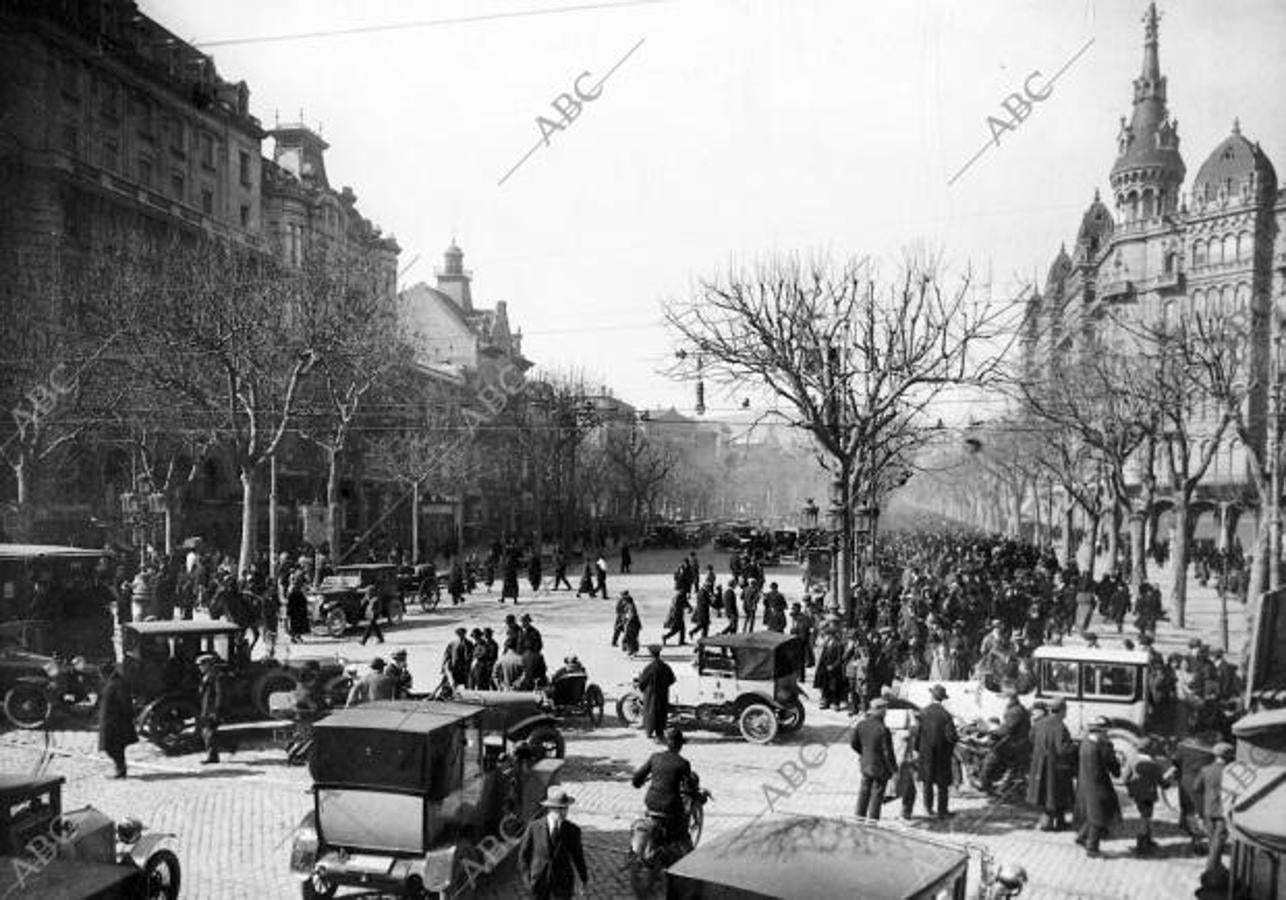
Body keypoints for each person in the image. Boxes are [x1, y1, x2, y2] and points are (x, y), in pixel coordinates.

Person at [632, 727, 697, 851]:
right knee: (682, 830)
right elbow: (689, 789)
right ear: (680, 745)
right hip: (670, 806)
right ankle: (687, 857)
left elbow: (637, 778)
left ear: (666, 743)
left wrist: (638, 784)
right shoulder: (683, 763)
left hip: (651, 803)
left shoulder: (655, 757)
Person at [518, 787, 588, 900]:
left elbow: (578, 857)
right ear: (550, 809)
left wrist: (584, 879)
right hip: (539, 883)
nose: (563, 813)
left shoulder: (573, 830)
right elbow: (523, 856)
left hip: (562, 884)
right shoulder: (534, 828)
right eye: (559, 809)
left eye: (565, 809)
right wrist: (527, 880)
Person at [1074, 717, 1121, 858]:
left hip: (1084, 782)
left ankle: (1082, 836)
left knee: (1091, 810)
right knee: (1099, 814)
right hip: (1099, 783)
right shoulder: (1103, 745)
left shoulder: (1085, 742)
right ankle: (1092, 848)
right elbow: (1113, 766)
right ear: (1102, 731)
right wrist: (1116, 768)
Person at [1027, 697, 1076, 831]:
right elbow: (1063, 749)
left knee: (1046, 794)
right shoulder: (1060, 726)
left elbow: (1031, 738)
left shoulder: (1039, 723)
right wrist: (1075, 747)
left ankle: (1054, 822)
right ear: (1062, 710)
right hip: (1056, 767)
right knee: (1058, 794)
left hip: (1040, 765)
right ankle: (1052, 823)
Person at [913, 684, 958, 818]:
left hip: (926, 753)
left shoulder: (922, 712)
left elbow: (917, 733)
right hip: (942, 754)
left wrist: (917, 749)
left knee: (927, 782)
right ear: (943, 699)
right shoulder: (946, 715)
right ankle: (942, 811)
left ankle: (928, 809)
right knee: (942, 784)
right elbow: (951, 736)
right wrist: (953, 745)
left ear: (932, 696)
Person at [1194, 741, 1234, 889]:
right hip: (1224, 811)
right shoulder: (1231, 771)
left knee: (1213, 841)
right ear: (1228, 755)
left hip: (1208, 809)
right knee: (1218, 842)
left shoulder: (1205, 770)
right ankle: (1210, 871)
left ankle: (1216, 868)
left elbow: (1196, 787)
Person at [979, 689, 1031, 794]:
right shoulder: (1017, 709)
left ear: (1010, 699)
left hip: (1015, 745)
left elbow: (1007, 729)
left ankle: (986, 784)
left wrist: (990, 731)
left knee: (990, 758)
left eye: (1003, 697)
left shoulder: (1015, 711)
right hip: (1016, 743)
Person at [852, 699, 897, 819]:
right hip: (880, 767)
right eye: (885, 710)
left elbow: (853, 743)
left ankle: (859, 817)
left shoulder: (861, 724)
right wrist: (894, 770)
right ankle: (873, 821)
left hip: (866, 764)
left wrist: (864, 753)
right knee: (877, 795)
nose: (886, 712)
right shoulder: (883, 729)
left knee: (864, 791)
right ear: (880, 711)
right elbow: (888, 753)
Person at [97, 663, 137, 778]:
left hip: (116, 721)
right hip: (111, 720)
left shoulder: (117, 683)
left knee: (113, 747)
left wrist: (126, 717)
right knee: (115, 747)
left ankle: (120, 770)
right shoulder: (112, 682)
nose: (100, 676)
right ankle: (120, 769)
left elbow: (124, 702)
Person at [1125, 748, 1162, 856]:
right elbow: (1161, 781)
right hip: (1149, 794)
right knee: (1145, 817)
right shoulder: (1154, 764)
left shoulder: (1132, 760)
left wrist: (1131, 788)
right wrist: (1166, 784)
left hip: (1137, 794)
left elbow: (1124, 778)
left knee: (1145, 815)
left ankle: (1147, 839)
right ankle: (1141, 843)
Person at [637, 645, 675, 741]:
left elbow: (642, 683)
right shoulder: (665, 666)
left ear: (651, 654)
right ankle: (660, 733)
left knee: (650, 713)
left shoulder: (649, 668)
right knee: (661, 713)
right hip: (663, 694)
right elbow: (672, 679)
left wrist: (644, 690)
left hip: (651, 695)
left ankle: (649, 732)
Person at [196, 653, 224, 764]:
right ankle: (213, 754)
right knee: (207, 732)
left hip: (212, 709)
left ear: (208, 665)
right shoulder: (207, 676)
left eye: (201, 665)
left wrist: (216, 710)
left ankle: (213, 757)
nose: (200, 667)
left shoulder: (217, 676)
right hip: (206, 708)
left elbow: (219, 694)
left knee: (209, 732)